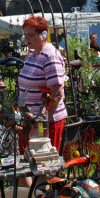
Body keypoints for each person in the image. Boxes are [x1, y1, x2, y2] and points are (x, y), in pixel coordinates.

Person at [17, 16, 68, 154]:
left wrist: (39, 121)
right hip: (29, 120)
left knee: (43, 165)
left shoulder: (50, 56)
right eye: (25, 35)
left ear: (44, 35)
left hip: (46, 124)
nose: (27, 39)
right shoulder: (32, 54)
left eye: (31, 35)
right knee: (26, 164)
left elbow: (57, 94)